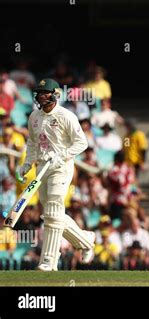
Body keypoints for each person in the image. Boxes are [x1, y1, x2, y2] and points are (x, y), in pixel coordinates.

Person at [15, 78, 94, 271]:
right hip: (42, 168)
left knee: (52, 210)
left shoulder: (66, 116)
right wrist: (27, 164)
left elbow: (81, 143)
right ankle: (85, 240)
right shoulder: (34, 116)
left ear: (54, 95)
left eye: (45, 92)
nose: (41, 96)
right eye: (39, 93)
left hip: (61, 167)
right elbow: (32, 144)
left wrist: (61, 156)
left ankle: (49, 261)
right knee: (53, 214)